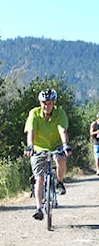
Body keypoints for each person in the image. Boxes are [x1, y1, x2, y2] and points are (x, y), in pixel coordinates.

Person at [24, 88, 71, 220]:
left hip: (56, 145)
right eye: (44, 103)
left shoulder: (60, 113)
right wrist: (30, 147)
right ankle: (39, 208)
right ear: (40, 103)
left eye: (49, 103)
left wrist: (65, 145)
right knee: (39, 178)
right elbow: (31, 131)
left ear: (54, 103)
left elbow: (62, 130)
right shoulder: (34, 113)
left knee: (61, 159)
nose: (47, 105)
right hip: (38, 147)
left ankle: (60, 182)